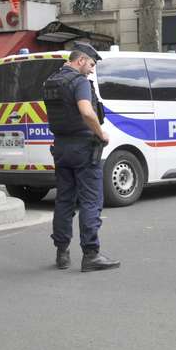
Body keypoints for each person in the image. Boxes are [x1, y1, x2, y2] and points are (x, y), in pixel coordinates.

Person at [42, 42, 120, 272]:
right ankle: (91, 254)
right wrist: (101, 133)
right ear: (81, 60)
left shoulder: (51, 81)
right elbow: (86, 111)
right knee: (90, 201)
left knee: (64, 201)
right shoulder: (79, 82)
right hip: (83, 148)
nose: (92, 69)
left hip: (61, 147)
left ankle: (62, 253)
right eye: (92, 64)